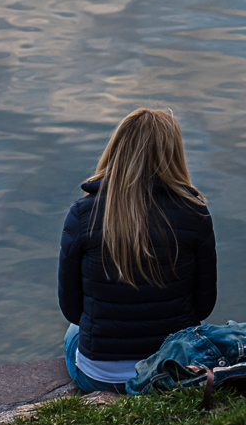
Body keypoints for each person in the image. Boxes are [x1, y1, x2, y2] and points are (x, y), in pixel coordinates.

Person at [58, 108, 217, 393]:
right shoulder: (195, 212)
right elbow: (203, 305)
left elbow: (71, 309)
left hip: (101, 376)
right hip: (173, 369)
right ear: (174, 155)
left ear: (116, 149)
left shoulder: (83, 213)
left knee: (73, 332)